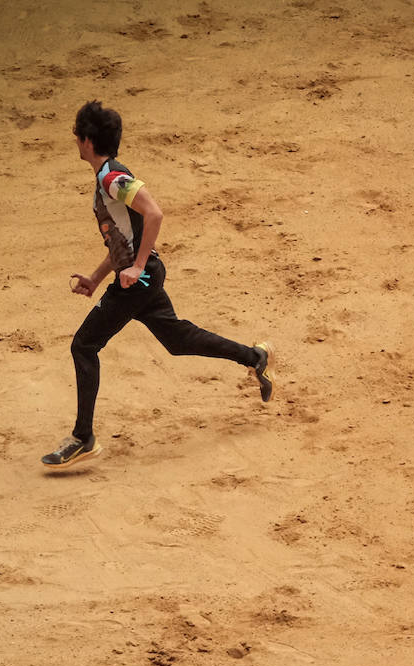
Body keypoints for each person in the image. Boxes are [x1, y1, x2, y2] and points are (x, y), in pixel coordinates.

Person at [42, 100, 274, 467]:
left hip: (140, 278)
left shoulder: (111, 178)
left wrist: (137, 267)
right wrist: (97, 277)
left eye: (76, 134)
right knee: (178, 340)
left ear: (87, 140)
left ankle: (83, 438)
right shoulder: (107, 177)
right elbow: (124, 238)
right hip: (140, 276)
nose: (75, 140)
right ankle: (255, 357)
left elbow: (154, 213)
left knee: (84, 345)